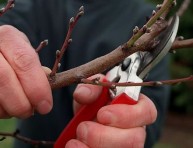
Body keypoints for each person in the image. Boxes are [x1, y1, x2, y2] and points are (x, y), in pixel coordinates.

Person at [0, 0, 170, 147]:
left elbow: (151, 114)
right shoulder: (33, 5)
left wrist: (128, 128)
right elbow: (7, 23)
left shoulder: (149, 23)